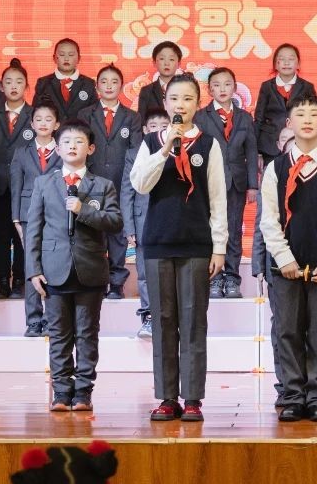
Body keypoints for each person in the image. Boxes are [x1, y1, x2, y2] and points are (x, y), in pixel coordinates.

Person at [130, 74, 228, 422]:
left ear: (198, 104)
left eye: (188, 99)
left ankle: (193, 399)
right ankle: (167, 397)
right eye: (174, 99)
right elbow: (140, 184)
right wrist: (164, 149)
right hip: (158, 243)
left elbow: (218, 198)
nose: (180, 105)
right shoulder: (151, 142)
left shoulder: (208, 144)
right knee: (163, 322)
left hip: (197, 244)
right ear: (165, 102)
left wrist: (219, 247)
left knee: (193, 322)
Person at [259, 95, 317, 423]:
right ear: (289, 123)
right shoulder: (276, 168)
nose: (308, 120)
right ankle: (292, 394)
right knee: (287, 330)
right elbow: (269, 220)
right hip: (284, 266)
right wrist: (283, 258)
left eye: (315, 114)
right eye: (300, 114)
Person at [24, 119, 123, 412]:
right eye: (66, 142)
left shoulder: (102, 185)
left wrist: (83, 210)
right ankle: (61, 391)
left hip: (90, 270)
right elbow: (34, 230)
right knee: (58, 334)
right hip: (54, 269)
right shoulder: (44, 183)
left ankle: (83, 392)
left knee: (87, 333)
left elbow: (115, 222)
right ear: (57, 148)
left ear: (90, 148)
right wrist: (33, 270)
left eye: (79, 142)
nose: (72, 146)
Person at [194, 67, 258, 299]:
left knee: (234, 230)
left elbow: (251, 152)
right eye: (216, 85)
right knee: (211, 229)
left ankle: (232, 278)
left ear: (235, 88)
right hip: (208, 182)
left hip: (236, 183)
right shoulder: (200, 117)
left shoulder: (245, 117)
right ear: (209, 90)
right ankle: (214, 277)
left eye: (227, 84)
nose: (222, 89)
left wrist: (253, 185)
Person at [79, 65, 139, 300]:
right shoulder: (85, 114)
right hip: (91, 183)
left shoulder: (132, 117)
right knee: (92, 233)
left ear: (121, 86)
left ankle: (116, 283)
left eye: (114, 82)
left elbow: (135, 152)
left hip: (120, 184)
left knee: (117, 235)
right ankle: (95, 281)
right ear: (97, 86)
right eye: (104, 81)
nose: (109, 86)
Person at [0, 58, 34, 299]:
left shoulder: (35, 116)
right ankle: (2, 281)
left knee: (23, 235)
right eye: (9, 82)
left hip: (25, 188)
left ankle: (20, 280)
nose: (14, 86)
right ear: (1, 86)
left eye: (19, 82)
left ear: (27, 86)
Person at [11, 102, 62, 337]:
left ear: (56, 125)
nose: (43, 123)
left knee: (51, 265)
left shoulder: (63, 150)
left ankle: (51, 319)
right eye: (38, 119)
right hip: (27, 215)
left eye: (48, 119)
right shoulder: (22, 152)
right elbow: (16, 186)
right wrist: (15, 218)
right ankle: (33, 320)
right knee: (31, 266)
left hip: (55, 215)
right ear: (31, 124)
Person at [120, 108, 171, 339]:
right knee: (144, 272)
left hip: (169, 220)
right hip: (143, 221)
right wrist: (129, 227)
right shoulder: (133, 153)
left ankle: (168, 317)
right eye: (153, 126)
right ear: (144, 129)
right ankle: (149, 316)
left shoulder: (177, 150)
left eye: (164, 126)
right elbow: (127, 192)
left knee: (169, 270)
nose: (159, 130)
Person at [31, 38, 97, 122]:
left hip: (80, 130)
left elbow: (94, 114)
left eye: (71, 55)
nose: (66, 58)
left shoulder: (88, 84)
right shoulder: (43, 83)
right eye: (62, 55)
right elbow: (35, 113)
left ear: (79, 58)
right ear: (54, 58)